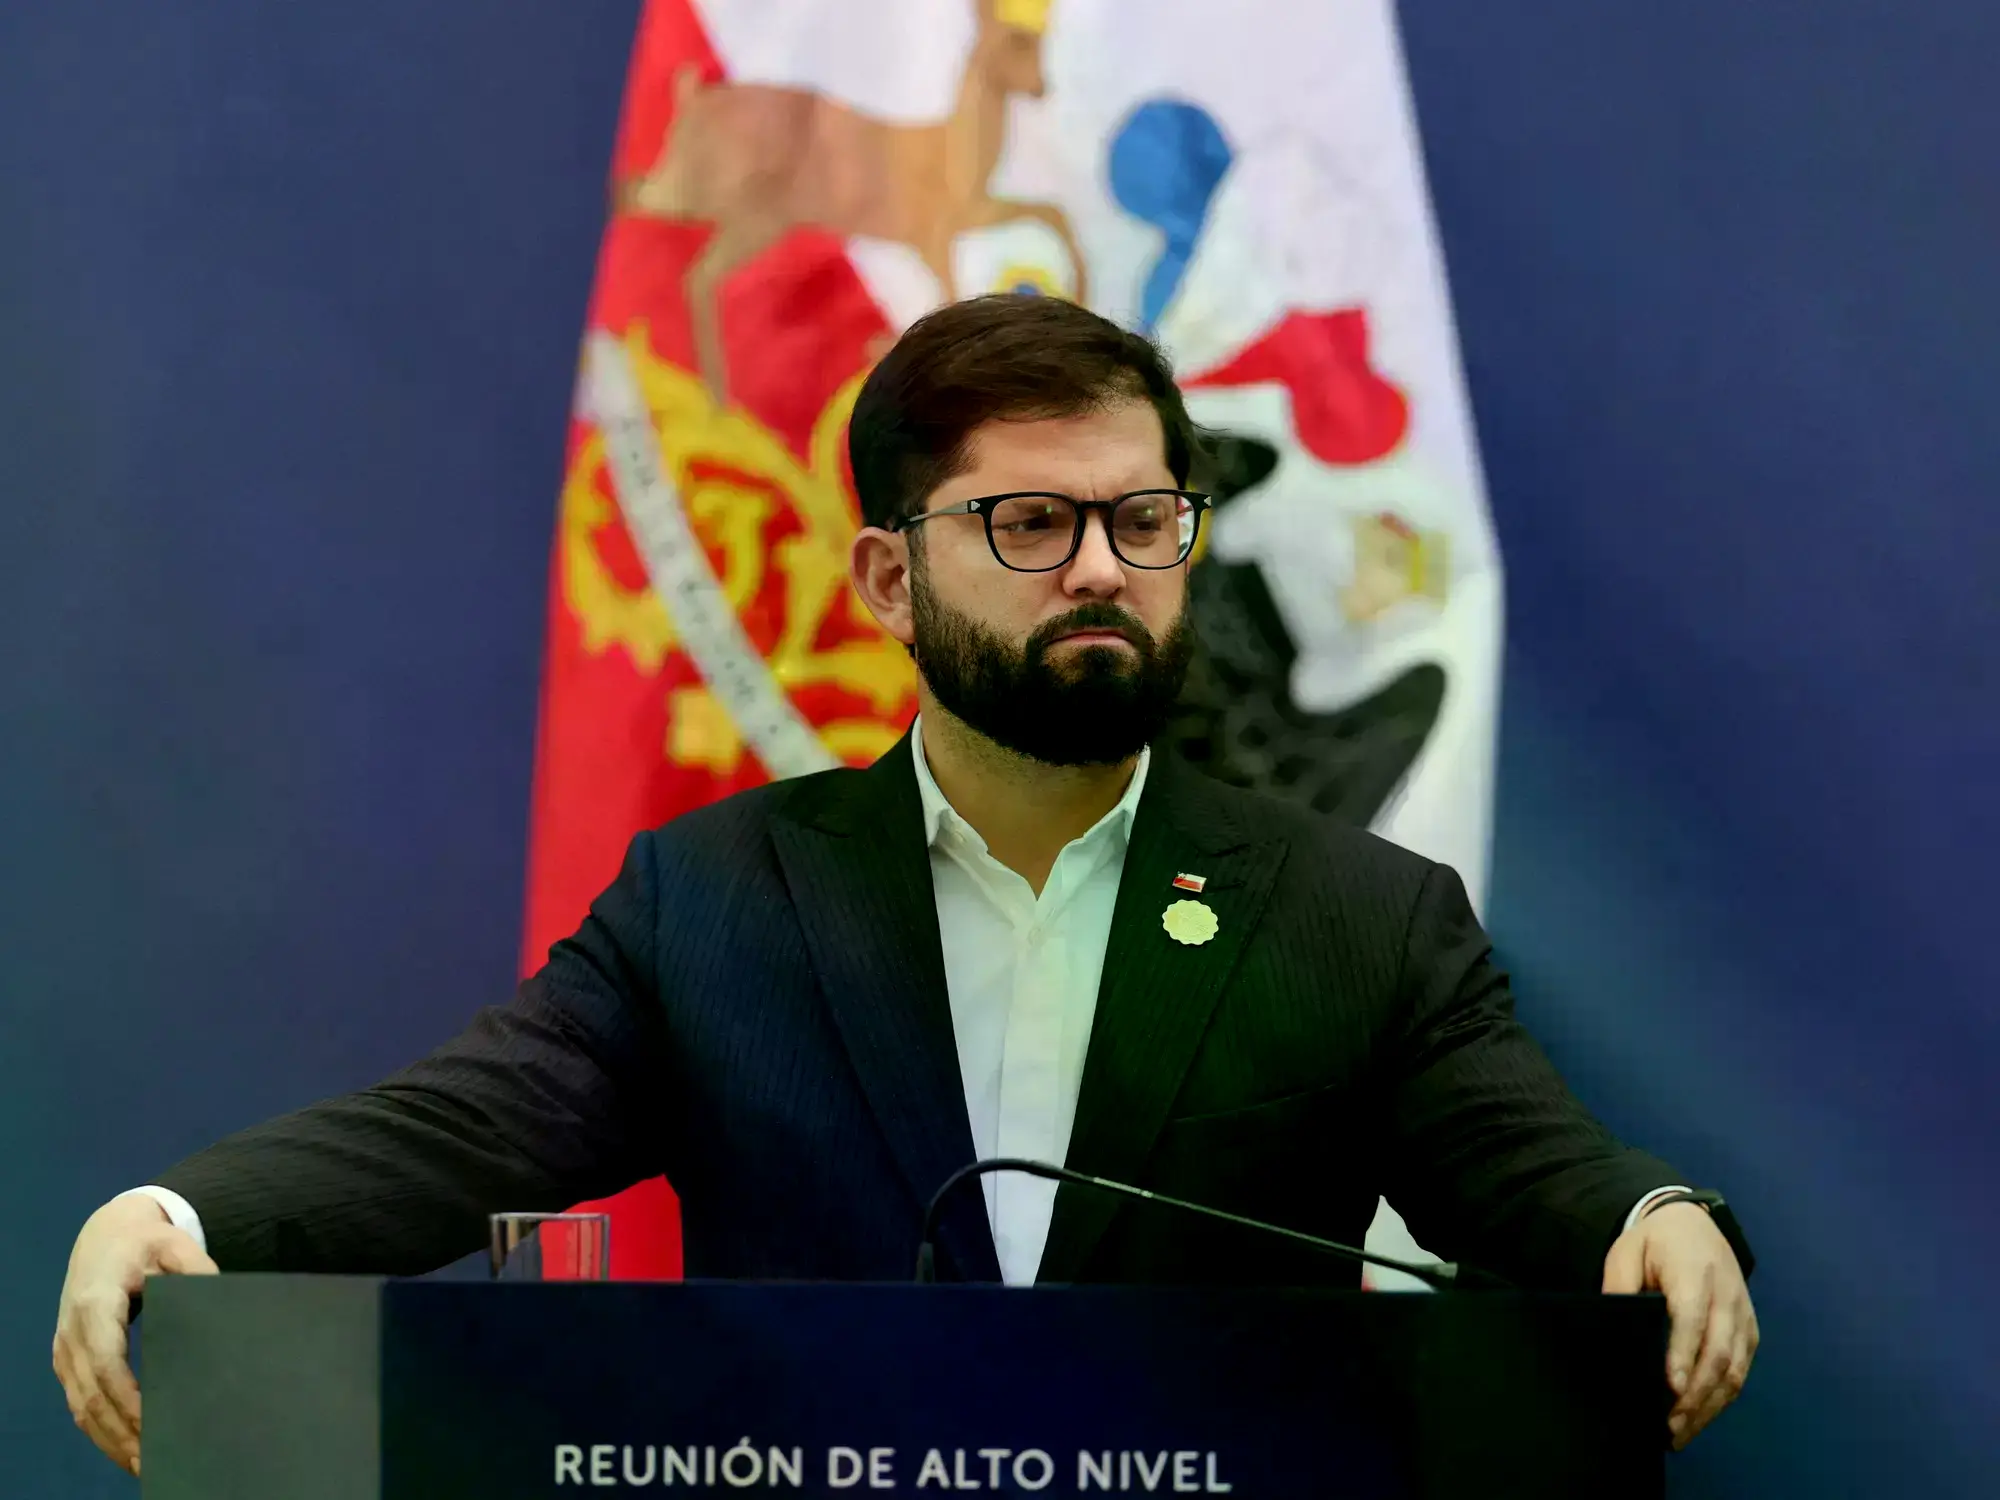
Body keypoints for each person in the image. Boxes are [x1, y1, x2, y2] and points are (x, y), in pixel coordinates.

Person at [53, 294, 1757, 1476]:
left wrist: (1654, 1224)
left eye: (1144, 520)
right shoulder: (718, 901)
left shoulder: (1356, 914)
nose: (1102, 568)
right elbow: (466, 1131)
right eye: (1030, 525)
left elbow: (1530, 1167)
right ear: (886, 572)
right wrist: (182, 1219)